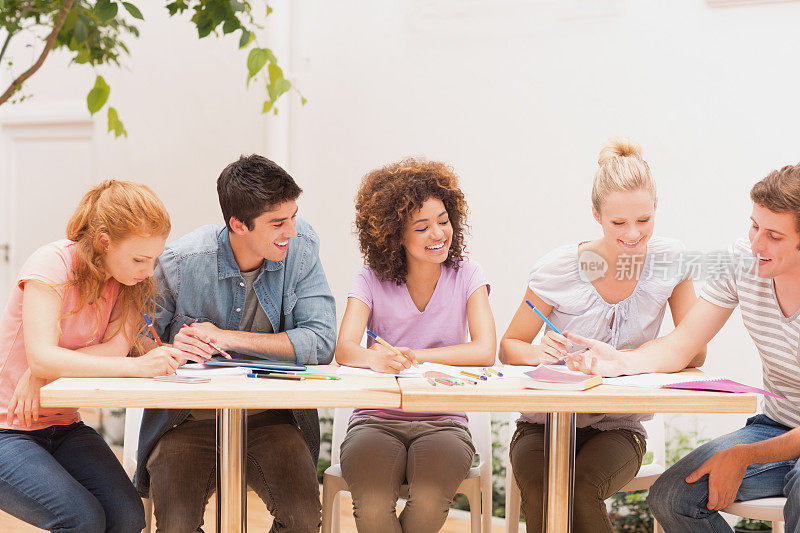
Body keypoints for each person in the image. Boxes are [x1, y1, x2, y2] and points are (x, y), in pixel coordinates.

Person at [563, 162, 800, 532]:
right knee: (672, 498)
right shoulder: (742, 260)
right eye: (754, 226)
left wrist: (743, 456)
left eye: (774, 235)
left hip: (776, 443)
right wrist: (619, 360)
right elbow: (681, 344)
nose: (756, 244)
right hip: (777, 425)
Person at [499, 138, 705, 532]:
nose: (633, 233)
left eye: (644, 220)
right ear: (595, 214)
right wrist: (539, 352)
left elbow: (695, 351)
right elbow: (510, 346)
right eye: (618, 223)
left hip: (619, 428)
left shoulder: (669, 261)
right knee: (545, 489)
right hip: (541, 425)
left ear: (655, 209)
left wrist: (630, 358)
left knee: (579, 489)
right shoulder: (558, 269)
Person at [136, 154, 336, 532]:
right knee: (177, 526)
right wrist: (169, 348)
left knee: (303, 520)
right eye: (278, 223)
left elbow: (322, 341)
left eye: (293, 216)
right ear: (238, 224)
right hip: (188, 422)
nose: (291, 231)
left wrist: (225, 337)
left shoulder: (303, 246)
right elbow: (136, 342)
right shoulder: (181, 262)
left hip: (272, 418)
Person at [0, 180, 187, 532]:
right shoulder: (51, 264)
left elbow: (113, 349)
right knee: (81, 519)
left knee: (129, 517)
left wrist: (50, 367)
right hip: (7, 429)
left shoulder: (129, 281)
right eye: (139, 259)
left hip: (64, 427)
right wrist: (45, 365)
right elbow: (42, 356)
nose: (149, 271)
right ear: (104, 241)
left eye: (154, 259)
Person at [334, 158, 496, 532]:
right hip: (375, 420)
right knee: (373, 508)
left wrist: (412, 357)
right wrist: (374, 361)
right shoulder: (370, 279)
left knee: (426, 506)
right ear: (395, 235)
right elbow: (345, 348)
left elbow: (485, 349)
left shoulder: (467, 273)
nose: (438, 234)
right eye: (421, 227)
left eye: (443, 221)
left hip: (444, 423)